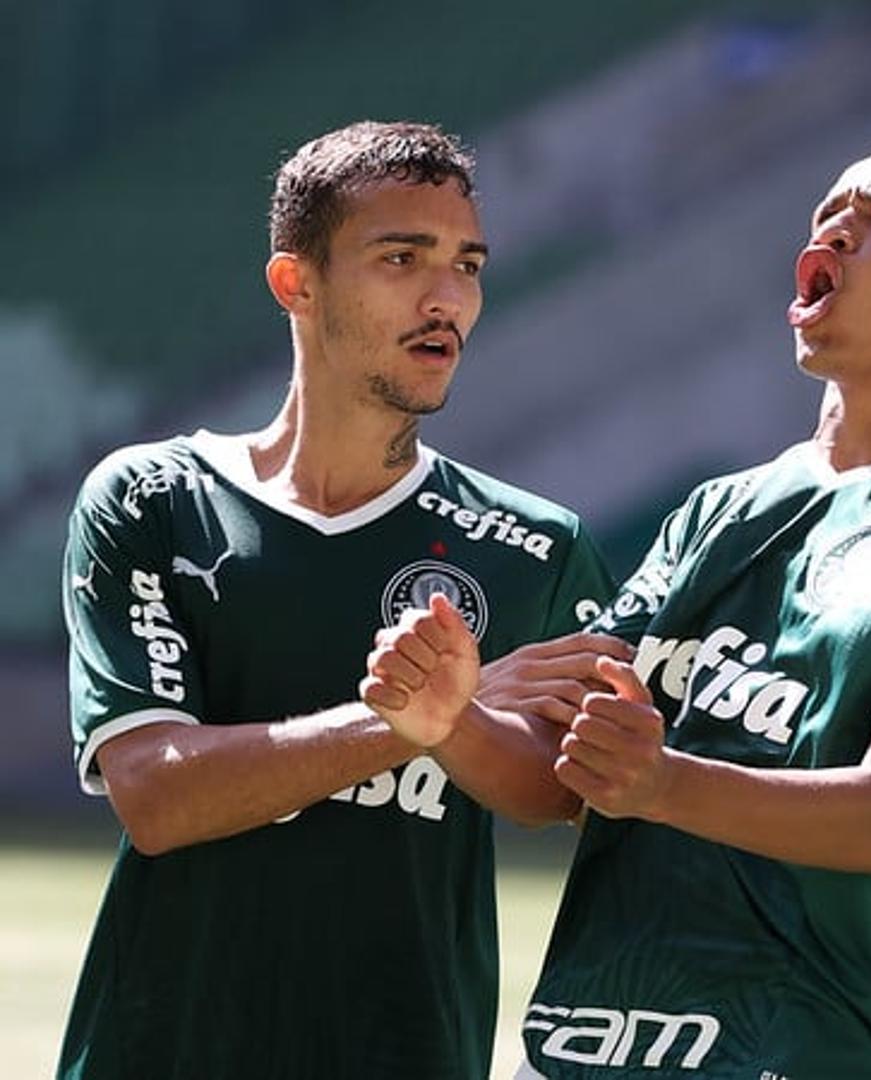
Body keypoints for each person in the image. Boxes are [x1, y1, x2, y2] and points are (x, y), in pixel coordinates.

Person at [367, 143, 871, 1079]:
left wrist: (661, 783)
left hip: (827, 1051)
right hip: (588, 1048)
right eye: (828, 209)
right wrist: (449, 723)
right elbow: (561, 779)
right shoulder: (719, 510)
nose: (838, 223)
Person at [59, 121, 628, 1079]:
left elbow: (564, 794)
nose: (446, 297)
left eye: (468, 265)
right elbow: (153, 794)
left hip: (408, 1051)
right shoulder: (153, 498)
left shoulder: (537, 545)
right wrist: (409, 723)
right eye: (401, 258)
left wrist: (463, 725)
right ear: (298, 282)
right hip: (158, 1050)